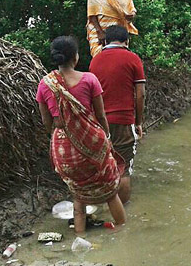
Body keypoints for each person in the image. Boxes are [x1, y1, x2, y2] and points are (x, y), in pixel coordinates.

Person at [36, 36, 127, 234]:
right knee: (111, 192)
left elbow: (46, 122)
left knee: (78, 195)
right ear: (75, 57)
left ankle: (80, 236)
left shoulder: (45, 84)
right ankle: (122, 232)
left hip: (64, 149)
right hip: (93, 143)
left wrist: (59, 137)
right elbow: (101, 115)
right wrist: (107, 139)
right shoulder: (89, 79)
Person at [89, 25, 145, 203]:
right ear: (126, 41)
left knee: (105, 164)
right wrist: (138, 122)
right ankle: (123, 217)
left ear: (105, 41)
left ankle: (106, 206)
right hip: (123, 120)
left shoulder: (95, 61)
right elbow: (141, 94)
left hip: (99, 123)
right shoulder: (133, 59)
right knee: (123, 168)